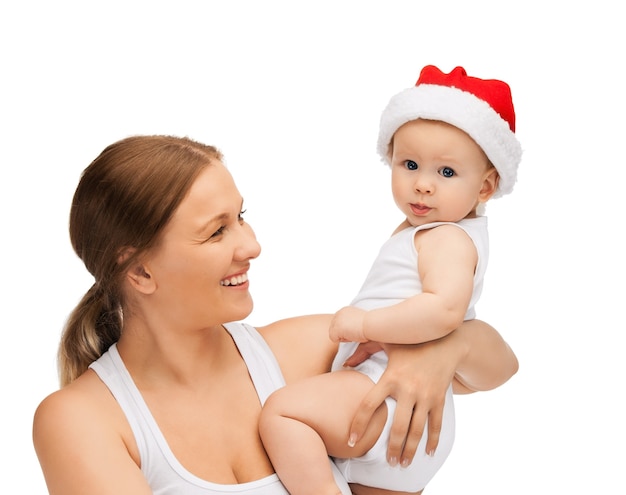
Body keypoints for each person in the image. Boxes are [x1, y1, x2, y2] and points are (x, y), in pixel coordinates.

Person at [32, 134, 519, 495]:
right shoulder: (82, 422)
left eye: (241, 216)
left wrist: (449, 345)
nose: (252, 245)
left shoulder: (304, 350)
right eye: (216, 232)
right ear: (139, 271)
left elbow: (500, 369)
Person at [258, 65, 523, 495]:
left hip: (385, 392)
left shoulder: (446, 238)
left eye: (447, 173)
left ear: (486, 187)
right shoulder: (438, 232)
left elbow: (445, 310)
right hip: (411, 416)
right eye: (410, 164)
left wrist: (363, 325)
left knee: (284, 415)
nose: (422, 185)